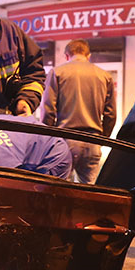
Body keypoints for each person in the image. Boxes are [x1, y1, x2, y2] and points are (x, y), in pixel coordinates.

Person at [41, 39, 116, 183]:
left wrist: (48, 138)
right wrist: (102, 137)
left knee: (61, 188)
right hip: (93, 141)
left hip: (65, 139)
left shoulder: (57, 72)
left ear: (67, 56)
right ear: (89, 56)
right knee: (89, 192)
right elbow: (110, 114)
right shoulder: (105, 76)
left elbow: (48, 110)